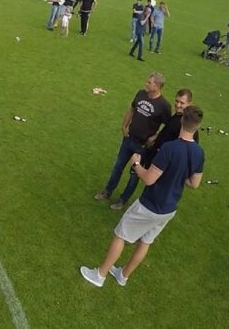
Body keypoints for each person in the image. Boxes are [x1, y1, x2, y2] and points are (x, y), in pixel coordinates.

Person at [80, 106, 204, 287]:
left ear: (182, 122)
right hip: (169, 210)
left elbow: (148, 179)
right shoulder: (199, 152)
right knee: (145, 241)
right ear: (198, 126)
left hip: (151, 204)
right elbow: (194, 183)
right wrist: (177, 174)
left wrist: (136, 163)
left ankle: (100, 275)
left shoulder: (170, 148)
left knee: (120, 234)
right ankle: (123, 275)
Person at [95, 72, 170, 205]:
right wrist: (124, 126)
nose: (146, 84)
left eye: (149, 82)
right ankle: (107, 191)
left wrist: (154, 137)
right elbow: (132, 109)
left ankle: (123, 200)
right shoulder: (141, 94)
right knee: (118, 166)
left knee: (134, 174)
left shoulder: (164, 105)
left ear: (157, 86)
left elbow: (167, 126)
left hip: (142, 145)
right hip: (129, 138)